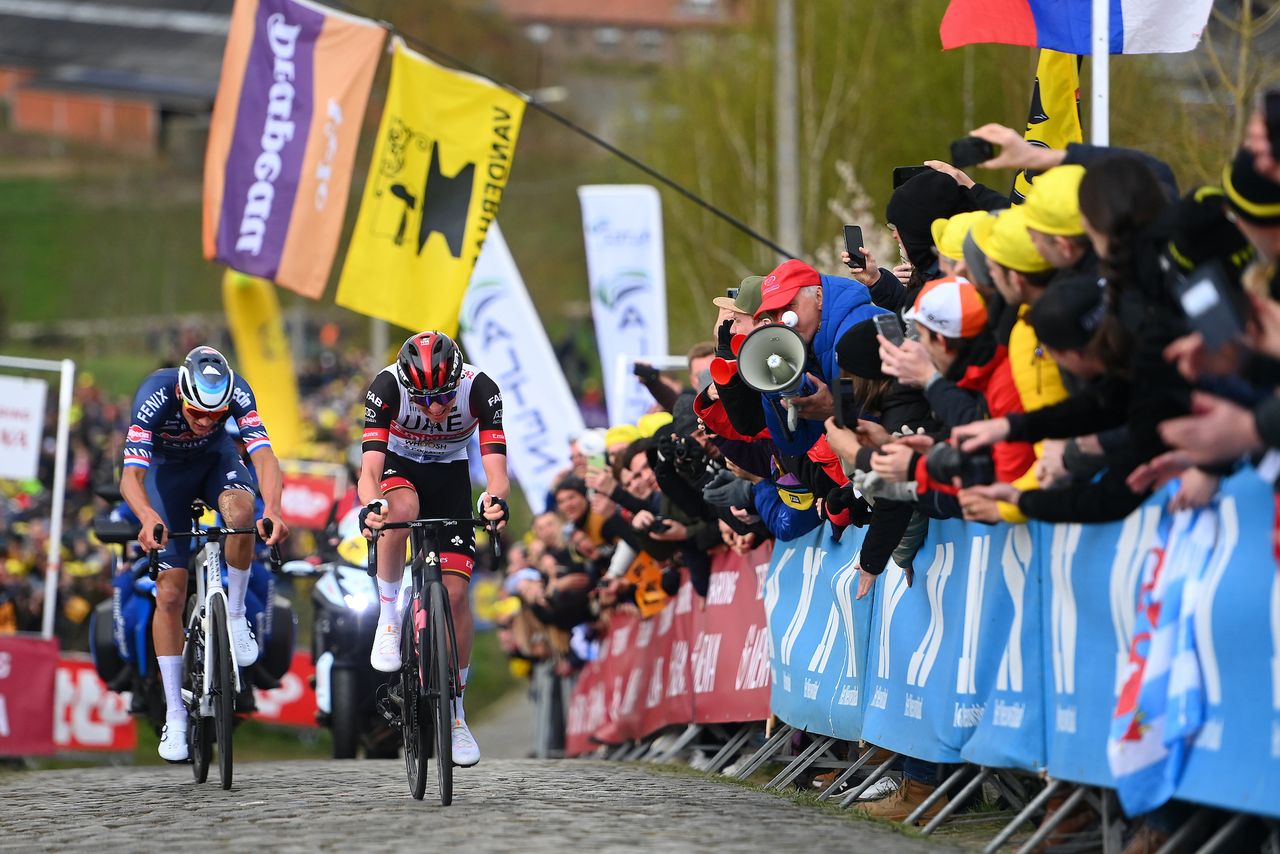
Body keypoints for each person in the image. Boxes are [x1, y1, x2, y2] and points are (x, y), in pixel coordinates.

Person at [120, 346, 289, 762]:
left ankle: (234, 618)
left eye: (216, 416)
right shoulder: (155, 394)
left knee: (244, 512)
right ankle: (175, 715)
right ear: (182, 393)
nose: (205, 422)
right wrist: (145, 517)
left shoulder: (239, 393)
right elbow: (131, 476)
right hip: (166, 476)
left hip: (215, 463)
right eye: (197, 413)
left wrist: (277, 510)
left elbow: (264, 457)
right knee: (171, 593)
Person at [356, 331, 510, 767]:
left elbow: (497, 471)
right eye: (424, 399)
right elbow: (368, 470)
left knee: (457, 595)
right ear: (406, 386)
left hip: (450, 475)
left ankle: (457, 715)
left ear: (457, 380)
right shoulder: (385, 387)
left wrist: (494, 500)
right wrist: (371, 504)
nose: (437, 408)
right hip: (397, 467)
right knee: (399, 508)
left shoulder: (482, 389)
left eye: (444, 396)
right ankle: (388, 618)